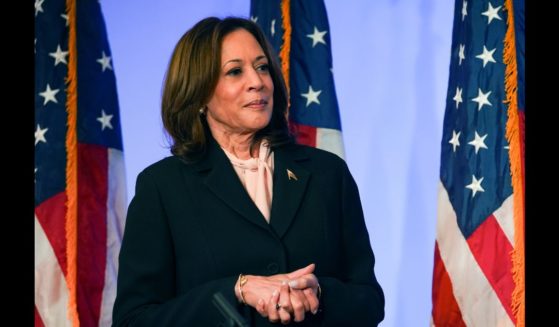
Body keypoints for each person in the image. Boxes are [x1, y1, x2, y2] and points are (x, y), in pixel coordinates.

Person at [112, 16, 384, 326]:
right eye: (235, 71)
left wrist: (320, 293)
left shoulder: (328, 174)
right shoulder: (162, 187)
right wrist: (237, 290)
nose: (257, 81)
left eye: (262, 66)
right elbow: (133, 320)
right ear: (199, 95)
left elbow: (370, 301)